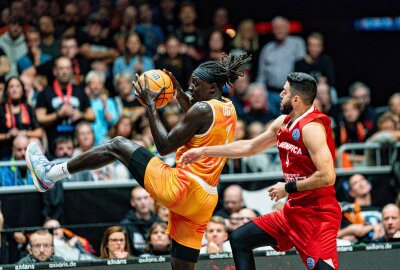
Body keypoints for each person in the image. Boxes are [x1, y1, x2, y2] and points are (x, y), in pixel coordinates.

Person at [26, 53, 251, 270]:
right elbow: (195, 114)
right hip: (205, 199)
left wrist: (151, 106)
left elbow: (163, 147)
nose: (191, 88)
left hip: (183, 188)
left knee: (118, 144)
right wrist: (178, 93)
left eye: (195, 84)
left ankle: (50, 173)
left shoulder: (202, 109)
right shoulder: (227, 107)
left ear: (211, 87)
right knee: (182, 266)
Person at [180, 72, 341, 270]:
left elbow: (327, 176)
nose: (281, 95)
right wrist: (205, 151)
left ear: (296, 99)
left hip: (318, 214)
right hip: (292, 212)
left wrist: (288, 187)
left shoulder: (312, 128)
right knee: (240, 239)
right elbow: (249, 147)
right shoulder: (283, 122)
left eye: (285, 91)